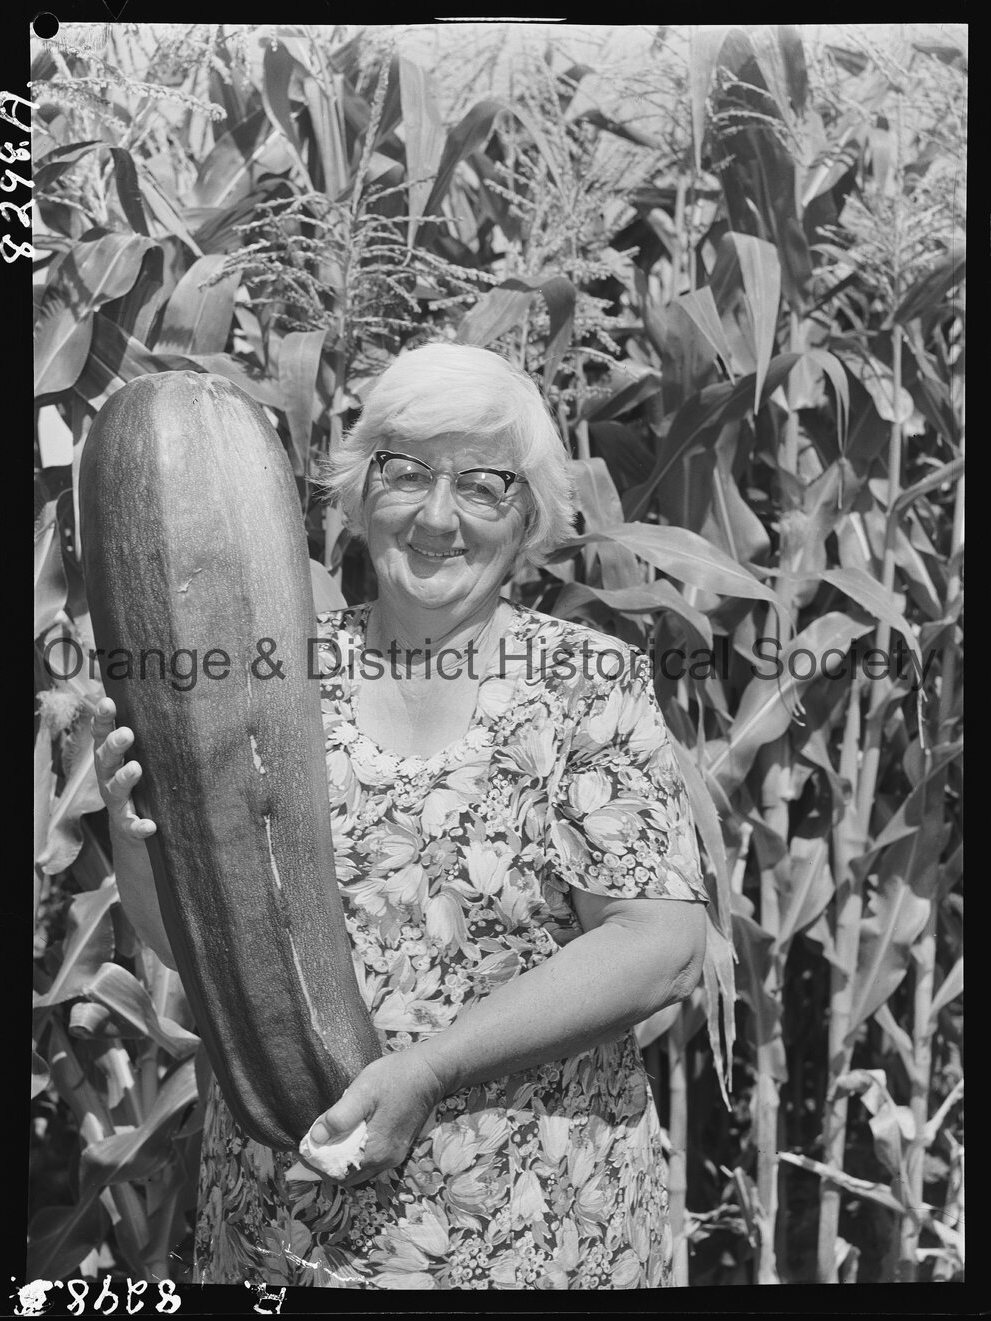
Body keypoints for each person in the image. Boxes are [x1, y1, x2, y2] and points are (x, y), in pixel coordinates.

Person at [92, 342, 708, 1290]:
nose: (436, 515)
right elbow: (199, 946)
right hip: (286, 1224)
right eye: (406, 472)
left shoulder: (587, 685)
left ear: (530, 515)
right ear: (354, 492)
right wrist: (138, 843)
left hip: (527, 1226)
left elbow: (658, 946)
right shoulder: (264, 673)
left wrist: (430, 1066)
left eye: (483, 485)